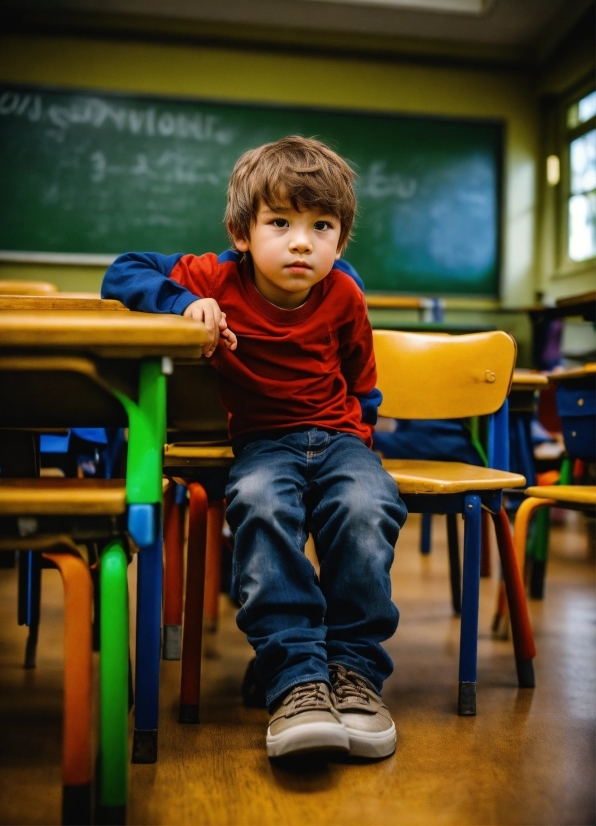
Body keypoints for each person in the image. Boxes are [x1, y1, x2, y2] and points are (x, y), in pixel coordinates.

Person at [102, 135, 407, 760]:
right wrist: (185, 302)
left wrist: (363, 443)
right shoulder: (215, 275)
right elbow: (122, 270)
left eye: (321, 226)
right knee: (260, 504)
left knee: (365, 505)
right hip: (264, 444)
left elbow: (362, 379)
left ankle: (354, 677)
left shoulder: (345, 293)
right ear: (243, 232)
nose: (301, 241)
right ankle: (295, 680)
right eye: (280, 223)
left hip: (341, 438)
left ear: (341, 240)